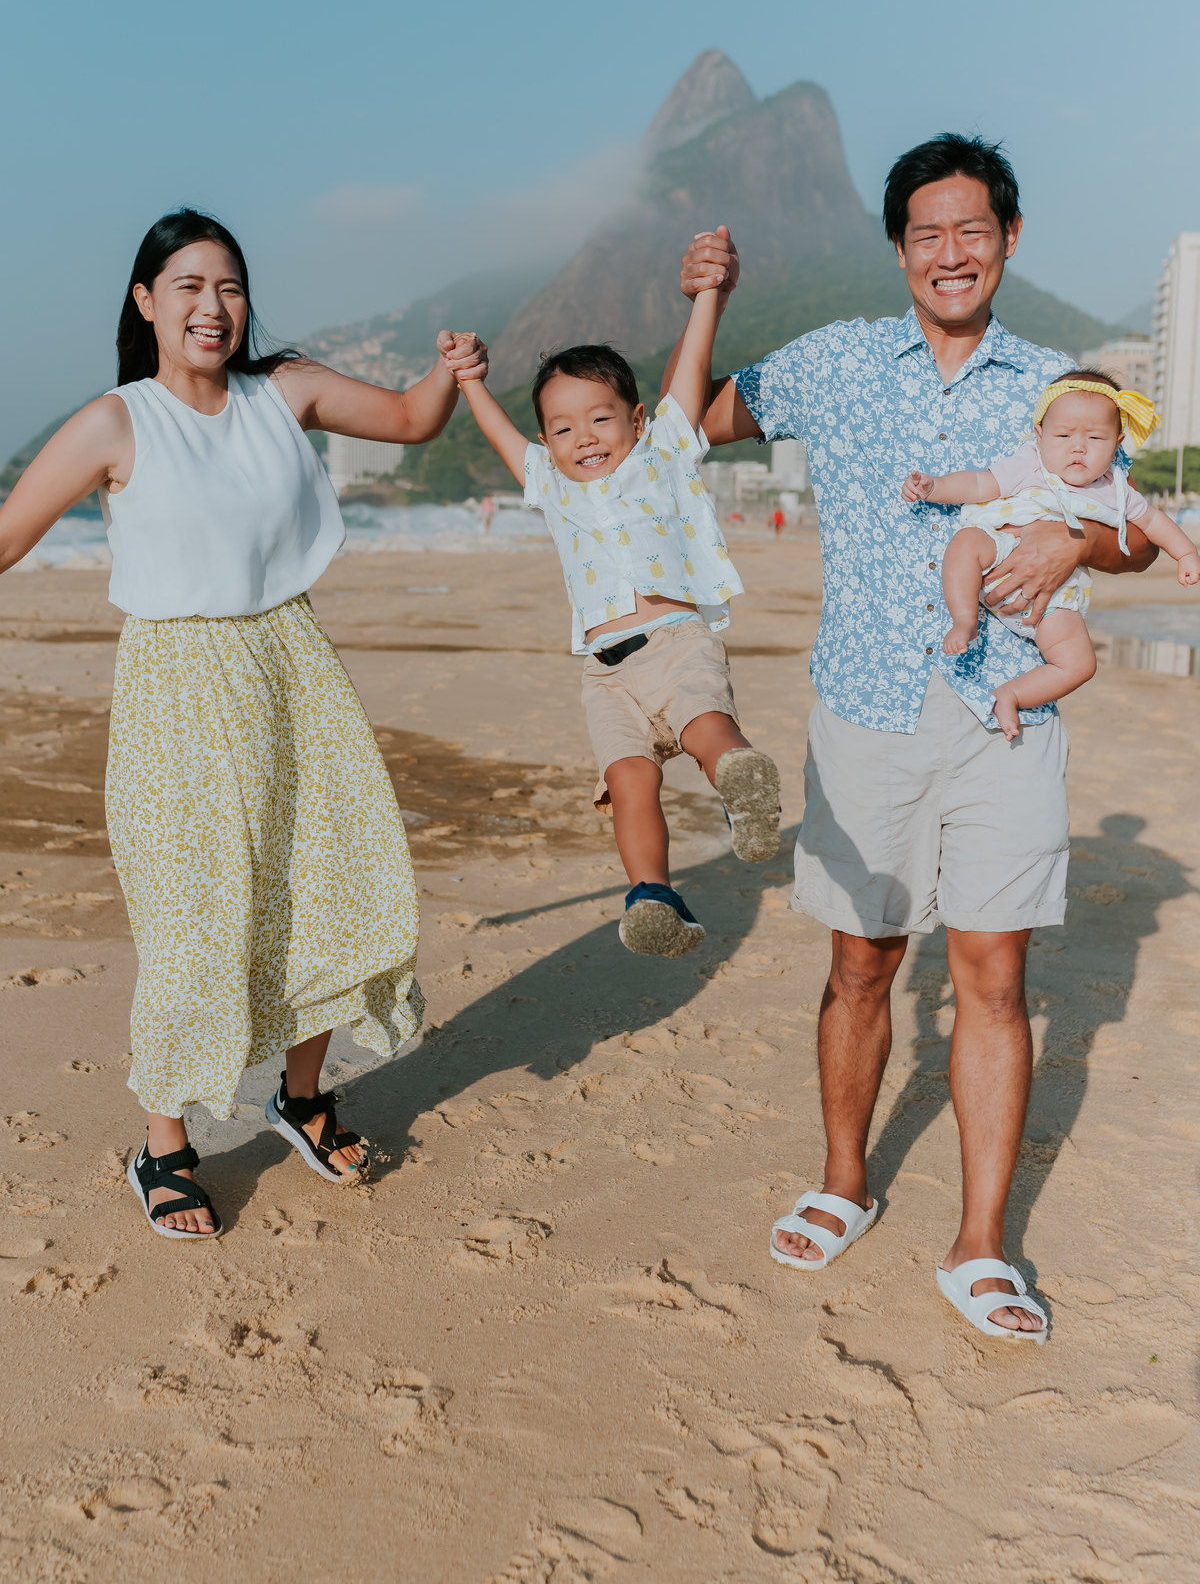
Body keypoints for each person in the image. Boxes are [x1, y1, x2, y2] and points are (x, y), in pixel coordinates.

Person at [663, 135, 1158, 1341]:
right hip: (865, 711)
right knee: (861, 964)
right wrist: (707, 303)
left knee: (995, 977)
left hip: (1009, 713)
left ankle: (981, 1243)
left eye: (972, 231)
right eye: (928, 234)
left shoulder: (1057, 386)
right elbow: (686, 430)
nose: (951, 254)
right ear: (900, 248)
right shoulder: (831, 360)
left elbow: (1130, 532)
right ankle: (844, 1180)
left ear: (1009, 240)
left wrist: (1070, 546)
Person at [0, 209, 487, 1240]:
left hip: (290, 660)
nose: (212, 306)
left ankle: (303, 1098)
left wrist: (452, 369)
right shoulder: (113, 421)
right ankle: (164, 1146)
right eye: (187, 285)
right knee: (193, 916)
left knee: (329, 883)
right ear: (145, 302)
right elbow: (5, 536)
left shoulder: (286, 390)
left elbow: (408, 420)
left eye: (228, 286)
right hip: (177, 683)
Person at [449, 294, 781, 958]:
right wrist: (469, 383)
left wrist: (706, 299)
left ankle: (741, 779)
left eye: (600, 419)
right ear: (548, 442)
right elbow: (503, 438)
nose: (585, 439)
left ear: (635, 419)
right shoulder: (552, 483)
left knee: (702, 723)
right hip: (605, 674)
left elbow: (688, 378)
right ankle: (652, 894)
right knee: (629, 780)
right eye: (564, 429)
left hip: (675, 641)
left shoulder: (659, 456)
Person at [904, 370, 1199, 737]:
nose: (1079, 448)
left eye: (1095, 438)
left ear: (1118, 443)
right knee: (966, 541)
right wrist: (935, 487)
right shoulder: (1030, 465)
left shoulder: (1115, 489)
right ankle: (964, 618)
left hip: (1056, 599)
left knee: (1080, 664)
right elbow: (980, 482)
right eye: (1063, 436)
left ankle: (1011, 695)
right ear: (1040, 436)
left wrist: (1186, 555)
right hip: (999, 555)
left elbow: (1154, 523)